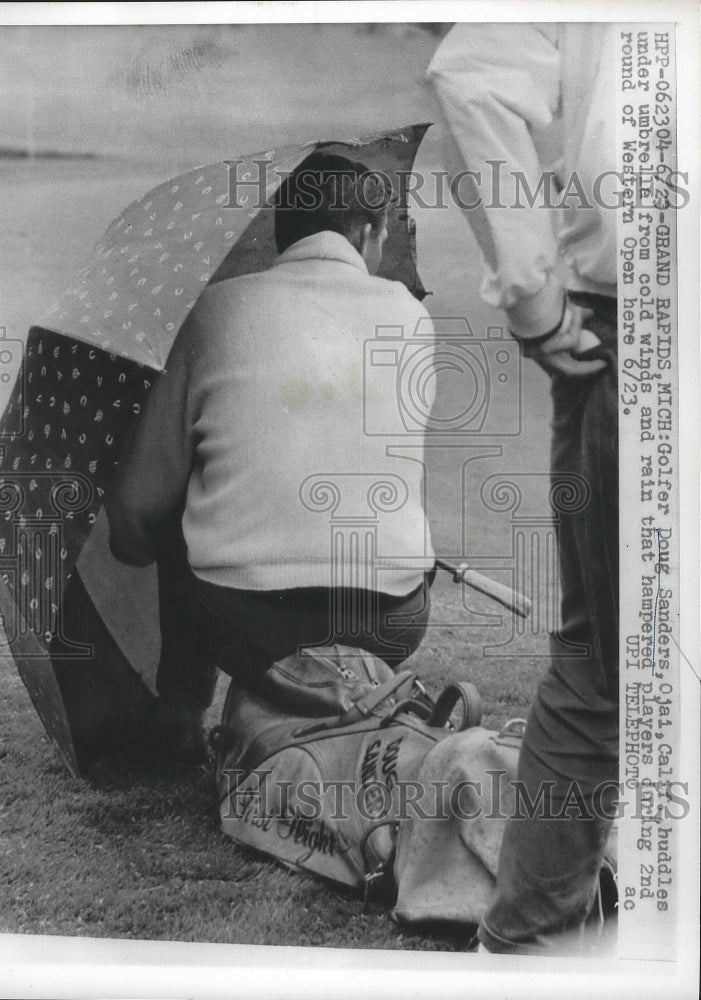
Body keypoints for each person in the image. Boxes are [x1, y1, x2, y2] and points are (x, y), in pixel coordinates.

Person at [107, 152, 436, 758]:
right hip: (390, 619)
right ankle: (351, 698)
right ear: (368, 231)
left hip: (244, 622)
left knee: (184, 506)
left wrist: (143, 539)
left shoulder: (212, 311)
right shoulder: (410, 316)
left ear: (280, 232)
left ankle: (180, 716)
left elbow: (135, 510)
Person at [427, 23, 619, 953]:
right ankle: (526, 947)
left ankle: (522, 949)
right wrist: (537, 299)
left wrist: (537, 302)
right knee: (601, 667)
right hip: (635, 321)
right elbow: (468, 71)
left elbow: (471, 68)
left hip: (619, 318)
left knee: (598, 667)